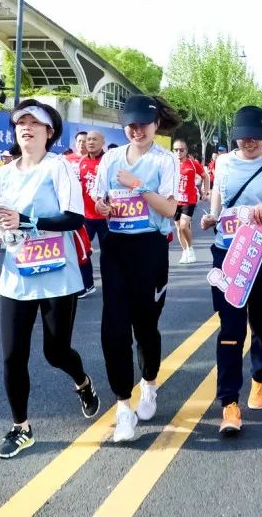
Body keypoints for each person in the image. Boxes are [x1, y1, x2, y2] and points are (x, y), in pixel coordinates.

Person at [0, 99, 100, 458]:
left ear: (50, 132)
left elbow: (74, 218)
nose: (27, 128)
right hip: (17, 272)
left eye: (35, 122)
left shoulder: (58, 167)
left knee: (55, 352)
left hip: (56, 272)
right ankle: (21, 428)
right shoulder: (4, 172)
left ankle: (82, 382)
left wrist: (29, 221)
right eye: (21, 123)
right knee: (12, 355)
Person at [198, 106, 262, 434]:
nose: (249, 142)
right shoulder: (224, 162)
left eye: (255, 137)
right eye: (243, 137)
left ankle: (260, 377)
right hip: (229, 251)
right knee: (230, 328)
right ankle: (229, 402)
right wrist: (213, 216)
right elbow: (219, 193)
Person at [93, 95, 181, 442]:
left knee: (145, 326)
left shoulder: (165, 160)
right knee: (113, 327)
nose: (137, 131)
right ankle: (122, 406)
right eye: (131, 125)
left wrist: (137, 186)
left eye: (143, 125)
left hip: (150, 249)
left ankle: (149, 383)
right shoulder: (111, 158)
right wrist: (103, 206)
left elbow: (170, 210)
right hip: (115, 248)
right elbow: (100, 200)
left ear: (156, 124)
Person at [75, 130, 107, 298]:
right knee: (83, 252)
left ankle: (111, 284)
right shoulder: (82, 162)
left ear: (103, 142)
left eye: (95, 139)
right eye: (88, 140)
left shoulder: (108, 161)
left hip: (106, 218)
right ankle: (87, 285)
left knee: (108, 254)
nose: (91, 142)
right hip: (86, 217)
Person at [172, 140, 208, 265]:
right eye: (176, 150)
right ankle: (185, 251)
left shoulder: (193, 163)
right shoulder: (171, 164)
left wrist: (205, 191)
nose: (179, 152)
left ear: (186, 151)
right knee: (178, 227)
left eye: (181, 150)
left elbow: (205, 176)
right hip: (175, 200)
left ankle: (190, 249)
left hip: (189, 199)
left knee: (183, 225)